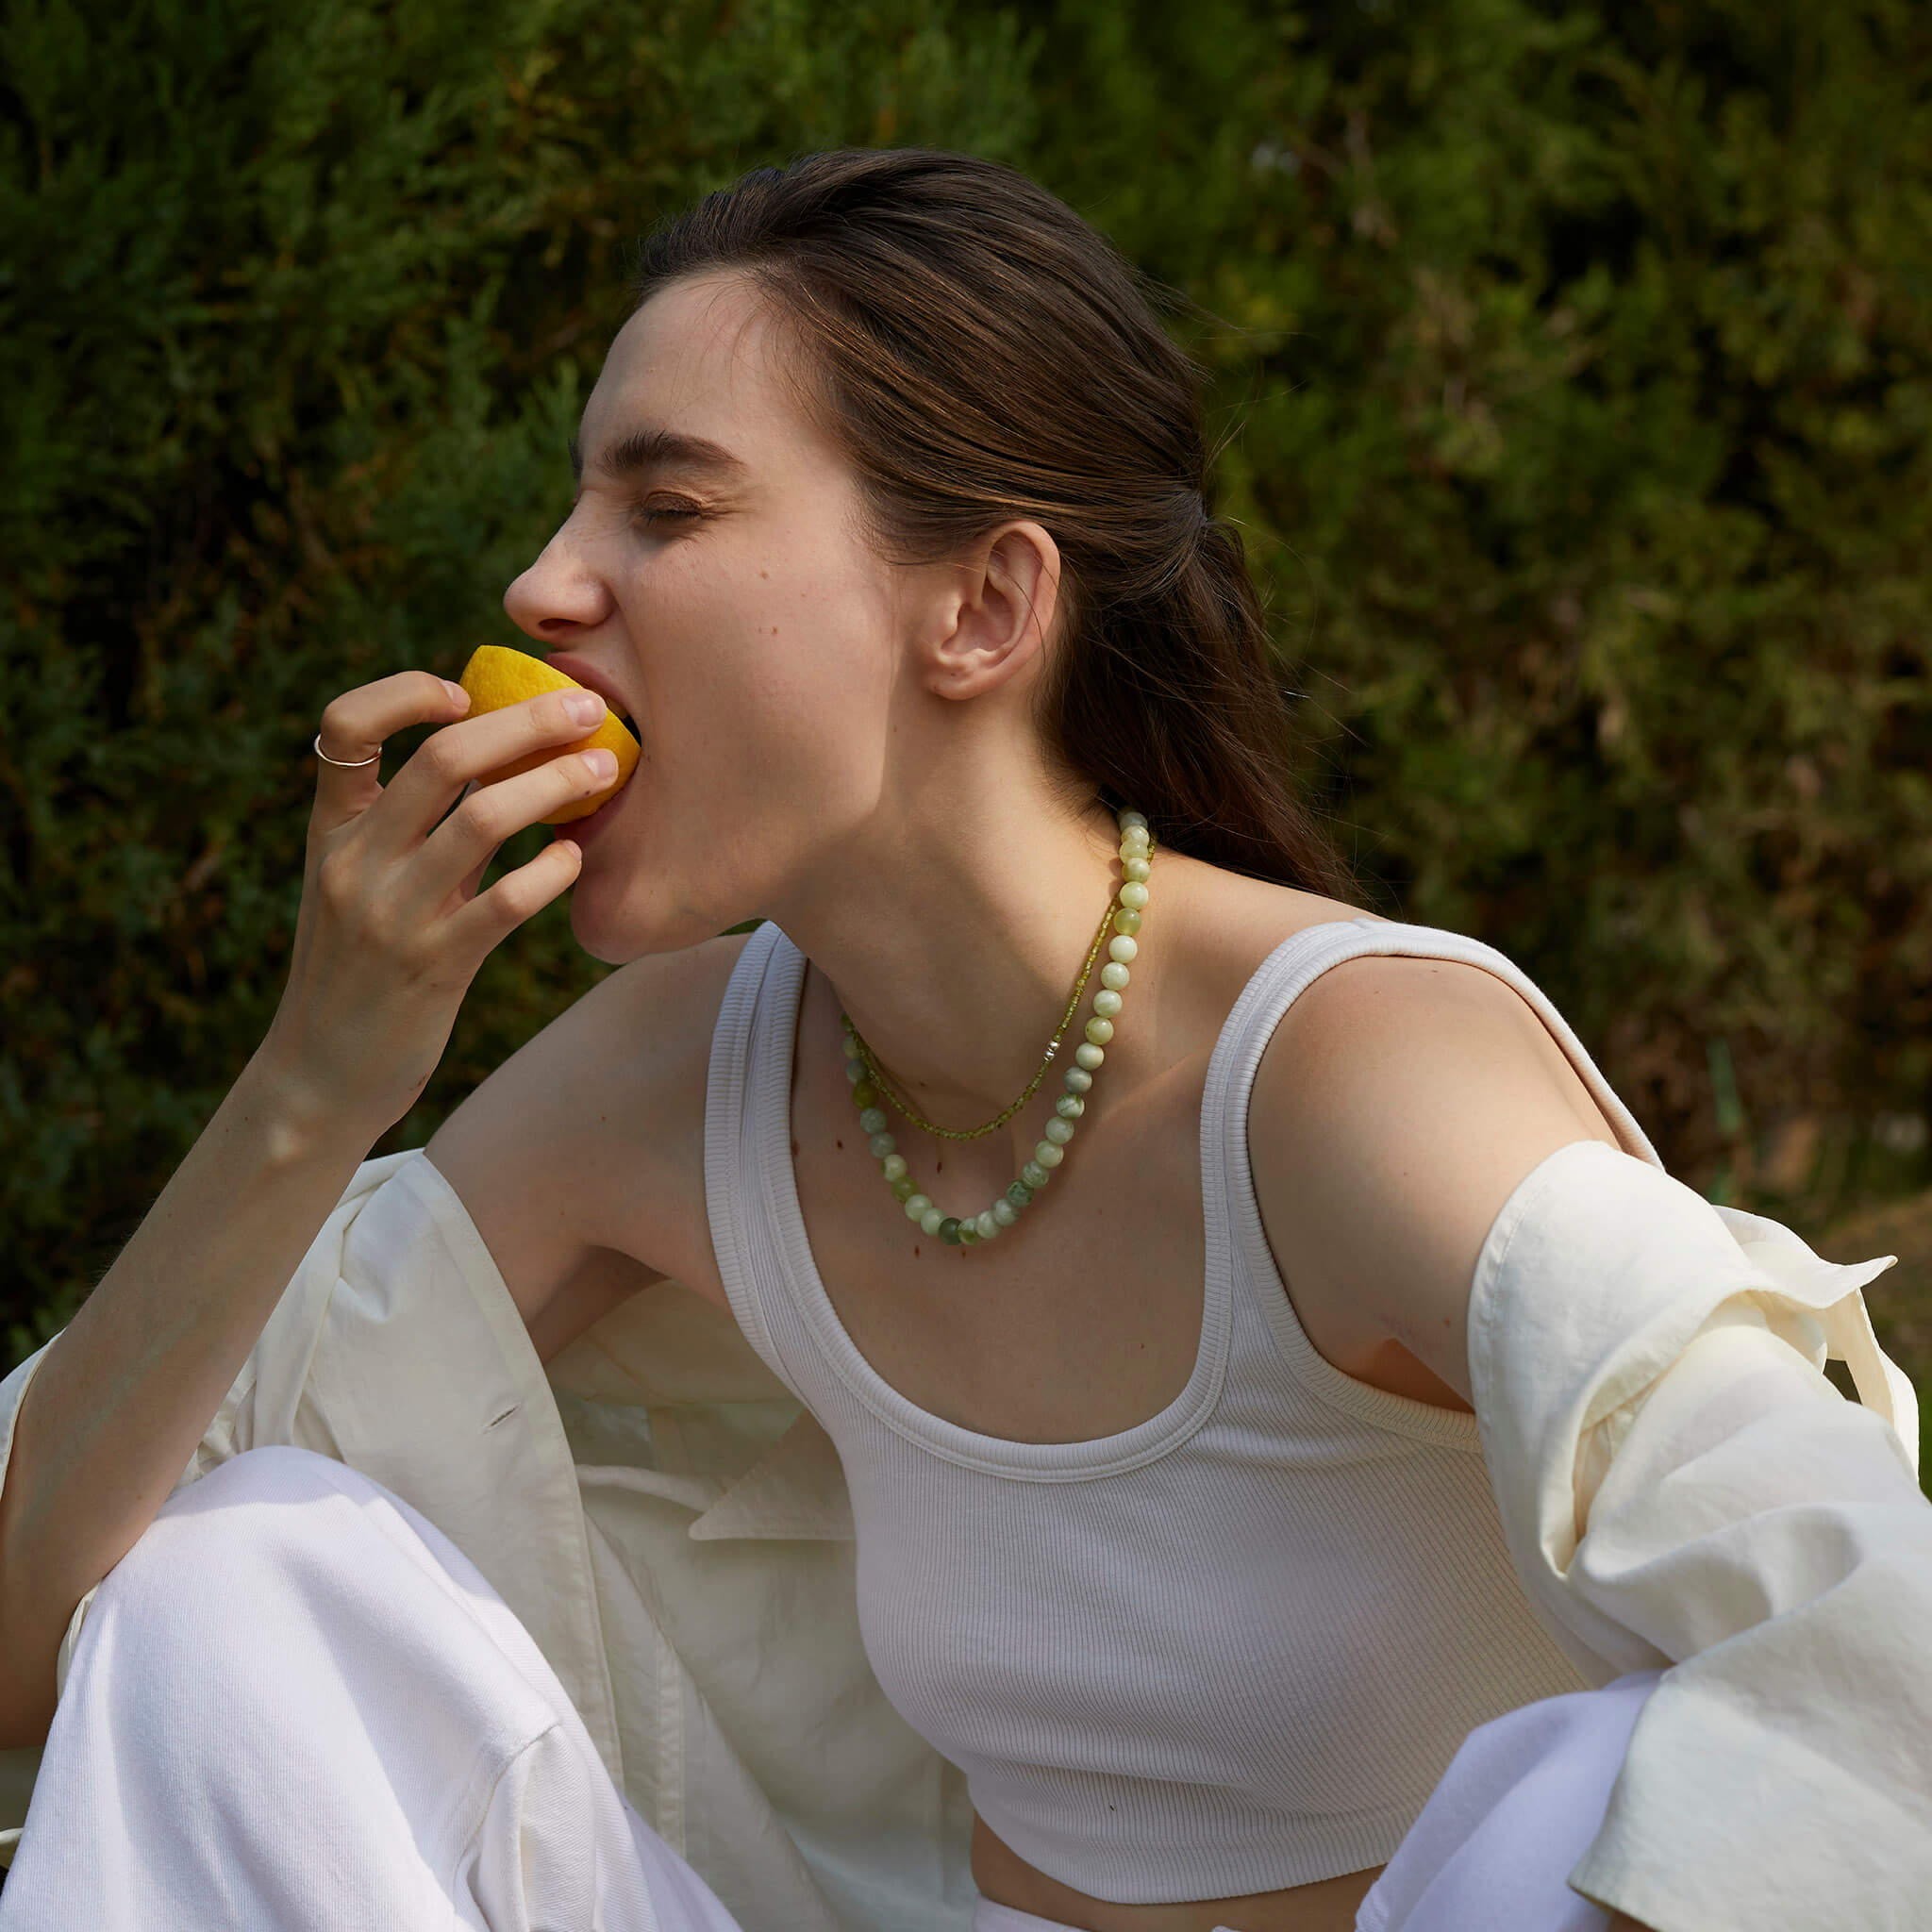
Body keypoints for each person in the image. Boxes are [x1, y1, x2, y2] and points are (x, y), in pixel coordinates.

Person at [1, 147, 1926, 1932]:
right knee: (231, 1584)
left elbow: (1868, 1622)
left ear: (985, 605)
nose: (541, 584)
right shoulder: (676, 1081)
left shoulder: (1349, 1076)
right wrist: (317, 1078)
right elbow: (34, 1623)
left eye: (666, 505)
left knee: (1592, 1771)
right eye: (577, 499)